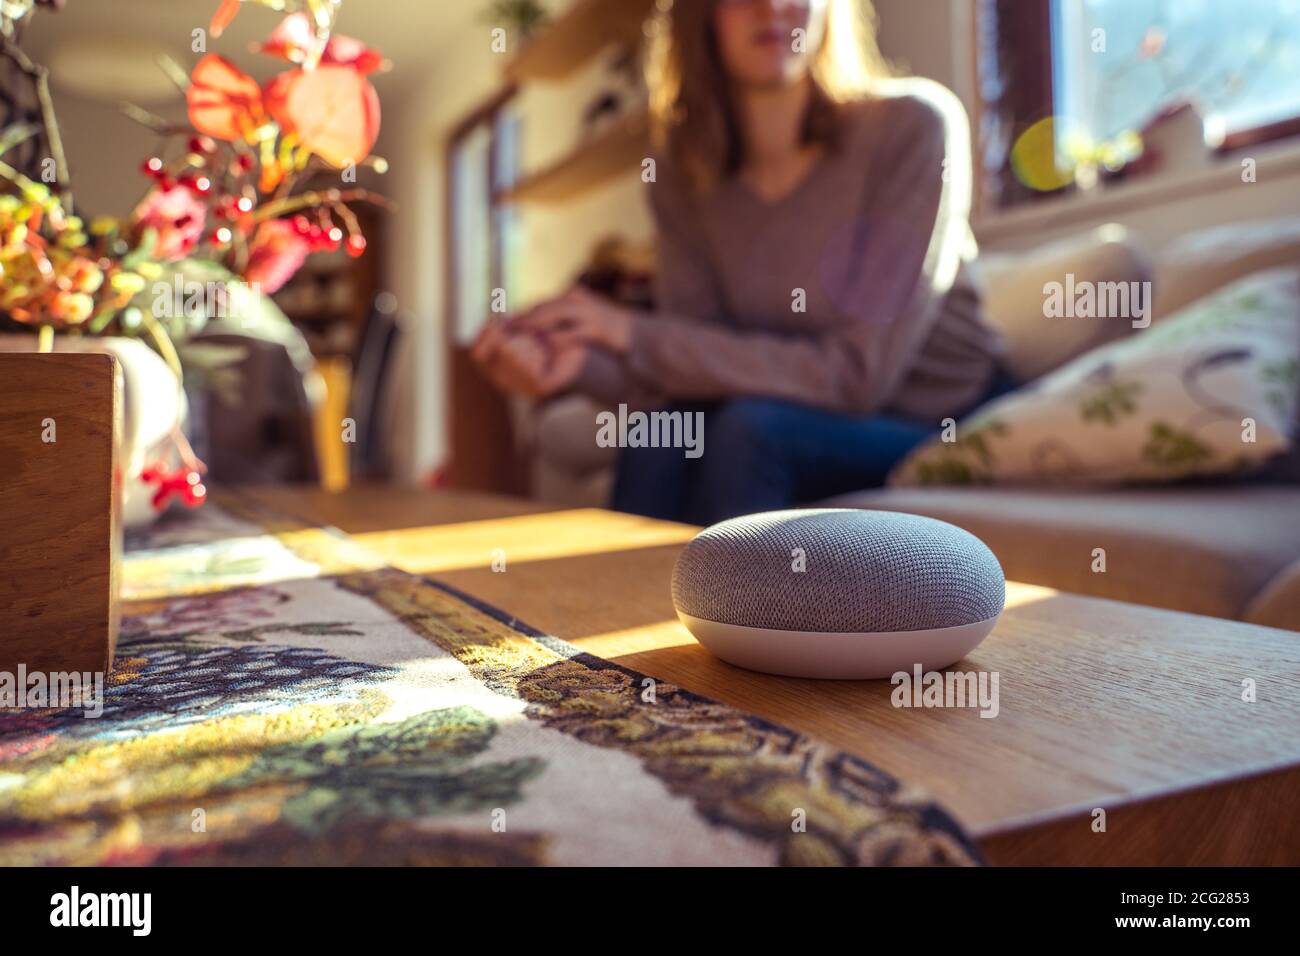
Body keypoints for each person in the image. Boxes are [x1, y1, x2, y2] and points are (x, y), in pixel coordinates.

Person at [472, 0, 1009, 524]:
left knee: (748, 430)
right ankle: (608, 612)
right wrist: (575, 366)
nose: (773, 7)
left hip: (932, 416)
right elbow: (696, 361)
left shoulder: (913, 127)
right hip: (784, 411)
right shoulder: (682, 172)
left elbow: (857, 376)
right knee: (660, 433)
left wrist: (630, 333)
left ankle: (730, 615)